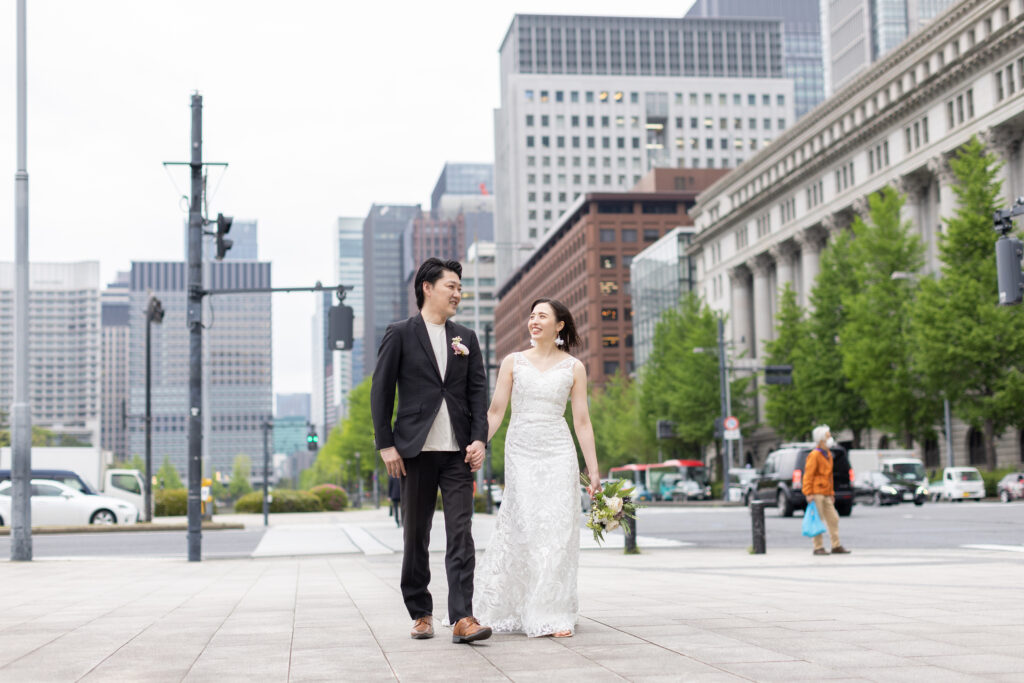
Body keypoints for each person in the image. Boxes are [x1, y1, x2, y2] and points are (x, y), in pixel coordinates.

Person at [370, 258, 492, 644]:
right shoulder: (400, 333)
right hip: (414, 451)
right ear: (427, 287)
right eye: (451, 286)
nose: (458, 293)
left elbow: (477, 393)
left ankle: (462, 617)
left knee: (461, 534)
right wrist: (385, 443)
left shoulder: (466, 338)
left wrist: (479, 440)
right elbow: (381, 391)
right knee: (416, 534)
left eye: (460, 287)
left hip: (458, 453)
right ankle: (420, 612)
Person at [473, 298, 601, 638]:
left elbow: (582, 422)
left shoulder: (574, 367)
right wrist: (478, 443)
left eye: (542, 316)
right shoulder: (512, 362)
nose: (534, 321)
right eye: (531, 316)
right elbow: (496, 411)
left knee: (558, 530)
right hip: (522, 450)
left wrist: (594, 470)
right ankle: (520, 603)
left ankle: (552, 612)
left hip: (559, 451)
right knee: (527, 528)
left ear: (559, 325)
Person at [802, 425, 851, 556]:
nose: (831, 439)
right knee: (818, 520)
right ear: (821, 440)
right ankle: (818, 547)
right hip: (816, 491)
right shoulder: (815, 455)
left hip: (825, 492)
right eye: (828, 437)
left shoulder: (828, 454)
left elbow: (829, 477)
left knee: (833, 518)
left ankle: (836, 545)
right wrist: (809, 493)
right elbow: (808, 475)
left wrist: (831, 493)